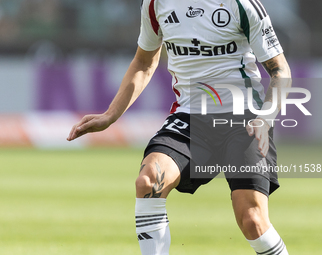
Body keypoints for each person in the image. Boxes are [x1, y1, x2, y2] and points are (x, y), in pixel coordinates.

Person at [67, 0, 291, 254]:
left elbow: (280, 70)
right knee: (149, 181)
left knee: (253, 221)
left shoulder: (240, 4)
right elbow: (144, 62)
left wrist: (266, 117)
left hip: (245, 121)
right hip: (191, 119)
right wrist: (110, 114)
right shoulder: (155, 4)